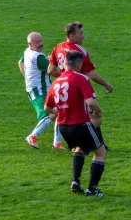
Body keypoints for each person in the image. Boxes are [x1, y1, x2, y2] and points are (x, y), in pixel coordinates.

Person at [44, 50, 107, 197]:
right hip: (81, 124)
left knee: (79, 148)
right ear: (79, 65)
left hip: (63, 127)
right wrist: (98, 111)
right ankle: (92, 189)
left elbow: (47, 107)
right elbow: (91, 102)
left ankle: (76, 182)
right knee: (100, 153)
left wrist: (61, 112)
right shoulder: (81, 78)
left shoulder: (56, 81)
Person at [47, 22, 113, 149]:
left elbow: (50, 70)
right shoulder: (79, 51)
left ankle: (62, 143)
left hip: (61, 89)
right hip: (78, 88)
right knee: (93, 115)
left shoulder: (57, 47)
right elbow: (91, 74)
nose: (83, 36)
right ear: (71, 36)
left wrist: (63, 78)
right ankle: (98, 146)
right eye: (80, 34)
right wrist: (106, 84)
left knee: (66, 114)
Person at [18, 32, 66, 150]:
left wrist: (27, 78)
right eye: (37, 42)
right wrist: (66, 73)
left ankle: (57, 143)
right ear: (30, 43)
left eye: (41, 41)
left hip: (36, 89)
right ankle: (33, 136)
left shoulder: (27, 51)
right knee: (49, 114)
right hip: (41, 90)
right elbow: (53, 72)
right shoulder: (39, 57)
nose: (41, 44)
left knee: (59, 111)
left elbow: (20, 63)